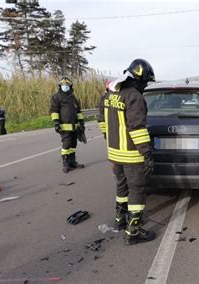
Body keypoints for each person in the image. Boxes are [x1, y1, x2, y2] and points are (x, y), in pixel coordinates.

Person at [98, 59, 155, 246]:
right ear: (140, 78)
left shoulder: (109, 95)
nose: (145, 85)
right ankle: (133, 231)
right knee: (137, 190)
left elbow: (102, 121)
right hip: (131, 154)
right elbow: (137, 128)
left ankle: (120, 219)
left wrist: (111, 140)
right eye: (145, 82)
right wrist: (147, 154)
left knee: (121, 188)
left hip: (114, 153)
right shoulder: (134, 97)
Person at [50, 76, 85, 173]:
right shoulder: (56, 97)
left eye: (67, 85)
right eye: (63, 85)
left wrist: (81, 123)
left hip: (74, 126)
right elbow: (54, 111)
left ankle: (72, 162)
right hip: (63, 126)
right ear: (60, 86)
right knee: (67, 144)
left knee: (73, 144)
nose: (65, 86)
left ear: (70, 86)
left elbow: (78, 111)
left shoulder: (73, 98)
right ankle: (65, 164)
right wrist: (56, 123)